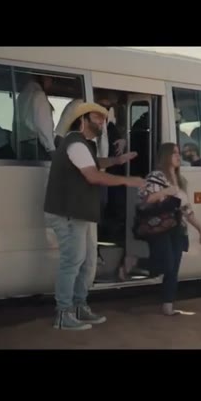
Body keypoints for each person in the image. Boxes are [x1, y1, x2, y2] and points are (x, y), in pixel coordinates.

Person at [43, 99, 144, 330]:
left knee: (87, 263)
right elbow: (93, 175)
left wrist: (117, 160)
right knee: (73, 262)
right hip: (68, 214)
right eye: (97, 117)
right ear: (82, 120)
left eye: (104, 118)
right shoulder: (76, 143)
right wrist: (128, 180)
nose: (102, 122)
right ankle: (63, 314)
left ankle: (79, 306)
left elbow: (95, 163)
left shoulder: (83, 144)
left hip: (78, 214)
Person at [131, 143, 201, 316]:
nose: (178, 156)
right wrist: (166, 191)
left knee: (173, 269)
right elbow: (145, 199)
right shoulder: (156, 176)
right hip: (160, 227)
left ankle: (168, 305)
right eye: (174, 153)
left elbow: (186, 210)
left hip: (178, 228)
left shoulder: (180, 180)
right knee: (166, 264)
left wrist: (200, 228)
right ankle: (134, 262)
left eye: (179, 153)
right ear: (166, 156)